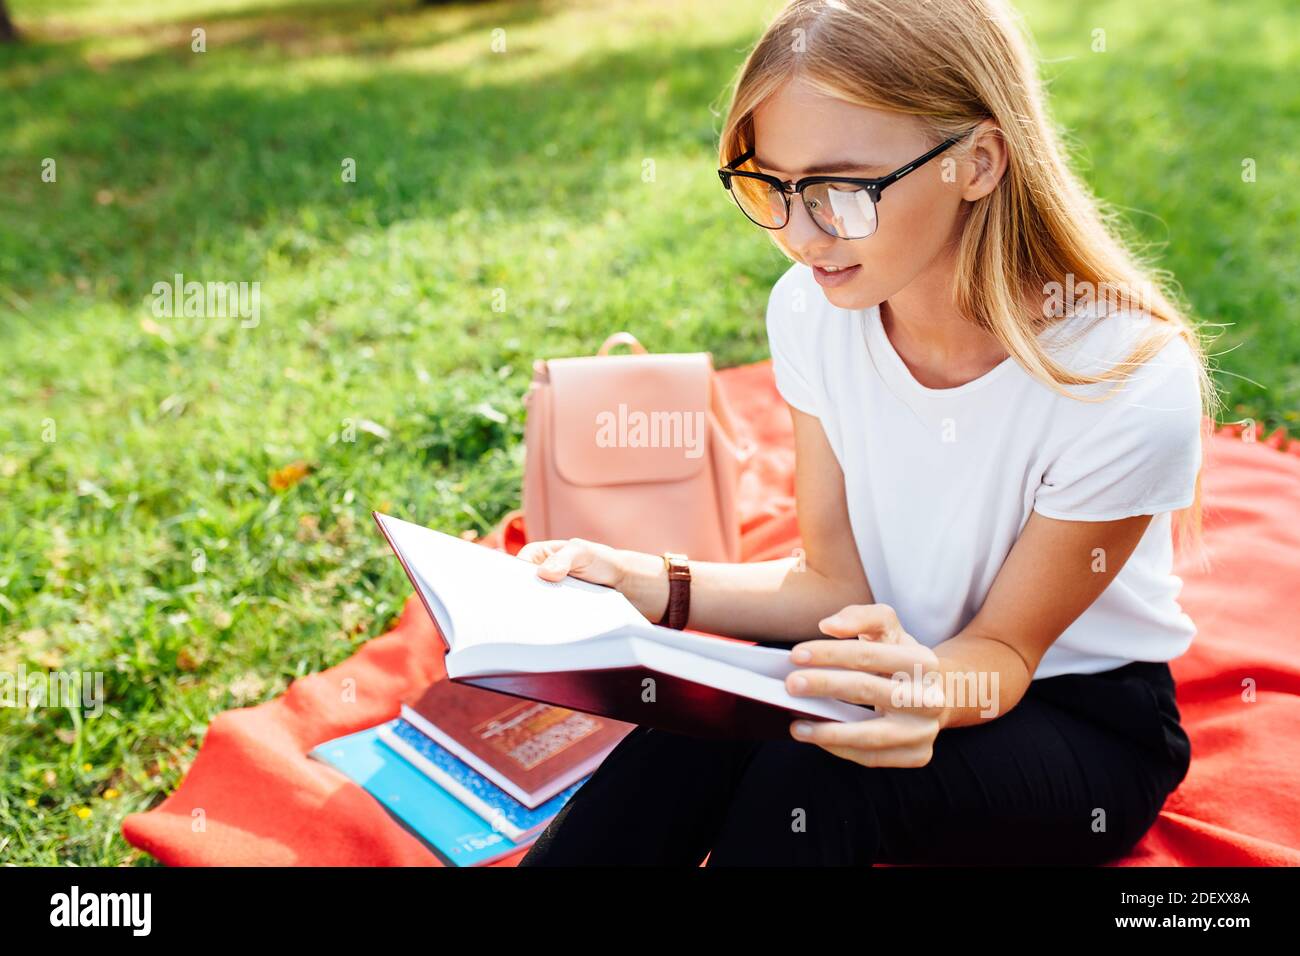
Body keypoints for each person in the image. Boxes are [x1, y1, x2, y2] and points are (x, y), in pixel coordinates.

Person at [516, 0, 1213, 866]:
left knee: (810, 778)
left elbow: (1001, 652)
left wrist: (913, 685)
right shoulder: (813, 312)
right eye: (769, 186)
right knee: (693, 725)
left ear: (979, 161)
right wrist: (642, 582)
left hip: (1075, 712)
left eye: (841, 191)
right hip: (870, 656)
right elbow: (829, 583)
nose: (799, 236)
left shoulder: (1125, 378)